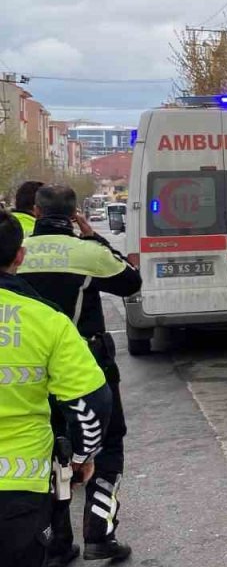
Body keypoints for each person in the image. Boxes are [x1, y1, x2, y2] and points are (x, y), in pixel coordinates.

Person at [17, 185, 142, 563]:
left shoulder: (18, 251)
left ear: (36, 212)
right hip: (88, 364)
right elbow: (131, 281)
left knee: (53, 448)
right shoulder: (88, 253)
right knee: (107, 444)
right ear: (74, 215)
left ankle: (57, 541)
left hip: (37, 367)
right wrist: (94, 237)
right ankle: (100, 533)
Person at [0, 208, 113, 567]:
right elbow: (91, 400)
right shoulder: (47, 320)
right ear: (20, 255)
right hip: (18, 487)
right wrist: (81, 457)